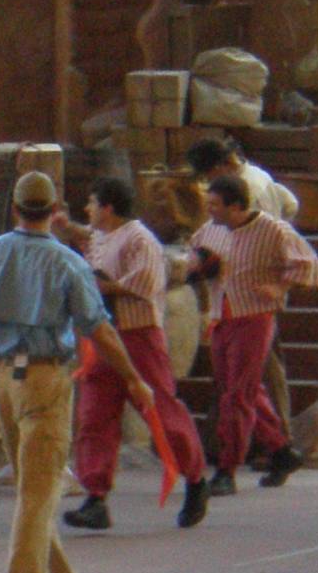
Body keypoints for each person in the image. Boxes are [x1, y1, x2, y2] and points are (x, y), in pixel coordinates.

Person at [0, 171, 154, 573]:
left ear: (16, 208)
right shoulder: (67, 263)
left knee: (34, 489)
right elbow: (98, 329)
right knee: (39, 492)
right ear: (54, 207)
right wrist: (134, 379)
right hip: (44, 379)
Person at [60, 178, 211, 532]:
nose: (88, 210)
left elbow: (142, 285)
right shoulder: (102, 234)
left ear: (108, 208)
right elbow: (89, 240)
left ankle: (194, 477)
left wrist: (98, 285)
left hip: (137, 334)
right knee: (94, 413)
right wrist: (66, 229)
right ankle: (95, 495)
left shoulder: (141, 240)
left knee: (159, 408)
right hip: (103, 335)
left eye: (93, 203)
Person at [191, 174, 318, 494]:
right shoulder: (210, 230)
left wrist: (279, 286)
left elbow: (311, 266)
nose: (208, 210)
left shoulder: (273, 230)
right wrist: (197, 266)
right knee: (237, 388)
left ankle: (227, 468)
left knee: (238, 394)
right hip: (221, 316)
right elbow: (194, 251)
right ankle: (280, 449)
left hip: (254, 316)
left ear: (235, 206)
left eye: (214, 205)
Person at [187, 137, 300, 224]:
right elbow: (291, 204)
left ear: (218, 167)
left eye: (207, 176)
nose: (209, 181)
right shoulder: (258, 172)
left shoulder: (244, 188)